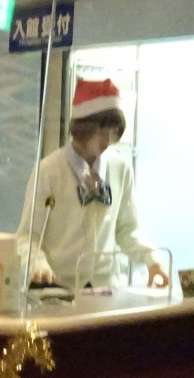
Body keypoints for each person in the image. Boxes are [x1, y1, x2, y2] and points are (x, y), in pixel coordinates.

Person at [17, 78, 168, 290]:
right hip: (57, 288)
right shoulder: (48, 171)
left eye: (113, 133)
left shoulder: (121, 168)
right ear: (82, 129)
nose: (107, 141)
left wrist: (152, 260)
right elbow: (27, 236)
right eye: (102, 133)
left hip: (106, 289)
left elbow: (127, 228)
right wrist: (38, 265)